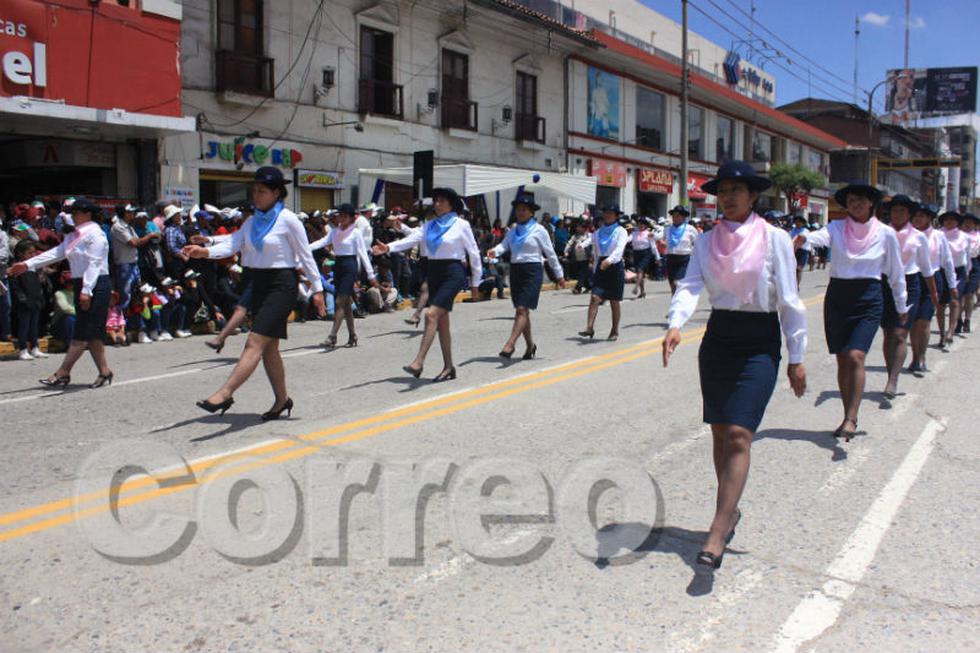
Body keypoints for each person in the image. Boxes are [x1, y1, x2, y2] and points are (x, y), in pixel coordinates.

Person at [663, 160, 807, 572]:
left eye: (736, 190)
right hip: (720, 338)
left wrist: (797, 357)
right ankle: (730, 510)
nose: (727, 197)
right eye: (722, 191)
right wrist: (676, 323)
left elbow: (789, 299)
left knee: (740, 434)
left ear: (753, 195)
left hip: (759, 339)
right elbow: (691, 284)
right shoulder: (707, 241)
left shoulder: (775, 238)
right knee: (720, 432)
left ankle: (717, 528)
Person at [182, 167, 326, 419]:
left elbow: (305, 255)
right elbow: (234, 243)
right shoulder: (251, 221)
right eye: (254, 190)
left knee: (255, 341)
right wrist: (204, 252)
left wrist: (318, 289)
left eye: (262, 191)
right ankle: (282, 400)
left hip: (281, 284)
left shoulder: (289, 220)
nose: (256, 195)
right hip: (257, 283)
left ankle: (225, 393)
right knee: (270, 348)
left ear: (276, 193)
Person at [795, 182, 907, 441]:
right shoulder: (836, 227)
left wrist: (901, 305)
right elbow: (817, 237)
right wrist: (802, 239)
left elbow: (896, 273)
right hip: (838, 298)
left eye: (861, 200)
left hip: (869, 298)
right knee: (843, 359)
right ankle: (847, 411)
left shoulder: (886, 234)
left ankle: (851, 418)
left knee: (856, 356)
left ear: (871, 203)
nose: (856, 204)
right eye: (851, 200)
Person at [373, 187, 481, 383]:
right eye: (436, 201)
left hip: (453, 272)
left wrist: (476, 282)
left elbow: (473, 253)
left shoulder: (461, 224)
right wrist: (388, 247)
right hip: (434, 272)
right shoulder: (429, 225)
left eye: (442, 201)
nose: (437, 204)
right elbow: (411, 239)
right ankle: (449, 367)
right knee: (442, 323)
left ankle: (418, 361)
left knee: (431, 314)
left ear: (451, 204)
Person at [8, 198, 114, 389]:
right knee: (93, 333)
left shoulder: (96, 234)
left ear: (87, 214)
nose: (73, 215)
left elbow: (95, 263)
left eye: (76, 212)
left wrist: (87, 291)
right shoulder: (75, 235)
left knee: (82, 330)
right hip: (82, 282)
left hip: (96, 283)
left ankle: (63, 372)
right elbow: (58, 252)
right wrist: (27, 264)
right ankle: (104, 371)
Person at [488, 193, 565, 360]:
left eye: (524, 209)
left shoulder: (539, 230)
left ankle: (510, 344)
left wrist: (559, 274)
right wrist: (493, 252)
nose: (520, 212)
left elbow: (550, 253)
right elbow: (503, 246)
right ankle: (530, 346)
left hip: (533, 271)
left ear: (531, 212)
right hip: (516, 271)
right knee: (522, 311)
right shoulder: (513, 231)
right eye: (518, 209)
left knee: (522, 309)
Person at [878, 195, 938, 399]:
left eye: (902, 211)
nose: (897, 214)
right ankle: (890, 372)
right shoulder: (881, 232)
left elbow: (927, 268)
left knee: (900, 333)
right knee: (888, 333)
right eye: (894, 210)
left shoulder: (918, 237)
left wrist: (933, 292)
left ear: (909, 214)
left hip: (910, 285)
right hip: (885, 284)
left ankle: (893, 380)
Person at [309, 203, 377, 348]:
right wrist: (304, 248)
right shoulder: (335, 232)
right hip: (338, 265)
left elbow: (363, 254)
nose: (341, 218)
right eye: (340, 215)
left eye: (345, 216)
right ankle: (353, 335)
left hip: (350, 266)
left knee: (340, 301)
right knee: (345, 303)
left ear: (352, 218)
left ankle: (332, 336)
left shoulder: (356, 233)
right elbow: (321, 242)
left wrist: (370, 274)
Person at [579, 205, 628, 341]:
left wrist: (610, 260)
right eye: (606, 212)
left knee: (614, 301)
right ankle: (589, 328)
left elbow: (619, 250)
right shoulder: (599, 231)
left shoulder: (621, 231)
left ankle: (614, 330)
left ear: (616, 216)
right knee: (595, 297)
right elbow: (590, 240)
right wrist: (581, 245)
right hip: (601, 266)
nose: (607, 215)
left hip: (615, 266)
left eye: (611, 213)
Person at [10, 240, 47, 360]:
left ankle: (35, 348)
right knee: (24, 326)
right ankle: (23, 349)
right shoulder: (17, 266)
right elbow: (15, 286)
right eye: (29, 253)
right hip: (24, 302)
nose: (33, 255)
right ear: (20, 253)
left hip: (35, 299)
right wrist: (22, 299)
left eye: (34, 252)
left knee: (34, 325)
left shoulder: (33, 266)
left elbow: (38, 284)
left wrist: (40, 296)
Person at [940, 211, 971, 347]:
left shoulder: (964, 237)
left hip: (959, 271)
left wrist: (968, 272)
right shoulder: (939, 235)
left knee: (955, 300)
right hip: (942, 271)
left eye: (952, 220)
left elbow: (968, 256)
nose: (949, 222)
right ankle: (942, 333)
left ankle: (951, 330)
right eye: (947, 220)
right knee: (940, 304)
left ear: (958, 222)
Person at [662, 205, 699, 294]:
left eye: (678, 216)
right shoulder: (667, 229)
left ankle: (681, 298)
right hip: (670, 258)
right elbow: (660, 237)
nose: (675, 218)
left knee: (677, 282)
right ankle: (675, 300)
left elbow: (698, 243)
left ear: (683, 217)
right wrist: (653, 236)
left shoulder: (690, 229)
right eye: (673, 216)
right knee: (672, 284)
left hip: (684, 259)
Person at [959, 213, 980, 333]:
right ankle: (958, 320)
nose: (967, 224)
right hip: (960, 265)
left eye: (970, 222)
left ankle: (967, 319)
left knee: (969, 294)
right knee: (959, 295)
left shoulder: (978, 237)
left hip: (974, 264)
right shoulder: (958, 235)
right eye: (965, 221)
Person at [630, 217, 656, 298]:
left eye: (642, 224)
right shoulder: (634, 233)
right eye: (639, 224)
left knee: (640, 270)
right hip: (636, 253)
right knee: (639, 272)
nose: (641, 225)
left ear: (645, 225)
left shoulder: (648, 233)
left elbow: (653, 246)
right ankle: (642, 292)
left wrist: (657, 257)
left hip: (646, 253)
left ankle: (636, 286)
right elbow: (627, 240)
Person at [564, 218, 592, 294]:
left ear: (584, 228)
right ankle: (589, 286)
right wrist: (566, 251)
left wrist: (592, 258)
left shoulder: (589, 236)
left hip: (586, 258)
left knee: (582, 273)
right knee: (580, 274)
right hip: (576, 258)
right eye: (577, 227)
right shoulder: (575, 236)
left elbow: (593, 246)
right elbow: (569, 243)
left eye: (580, 227)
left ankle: (578, 288)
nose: (578, 228)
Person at [788, 215, 811, 286]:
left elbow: (803, 240)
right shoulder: (792, 231)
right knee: (793, 269)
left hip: (803, 251)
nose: (798, 223)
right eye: (796, 221)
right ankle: (793, 284)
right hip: (793, 251)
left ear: (803, 223)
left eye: (800, 222)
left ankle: (797, 285)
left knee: (799, 269)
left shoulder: (806, 231)